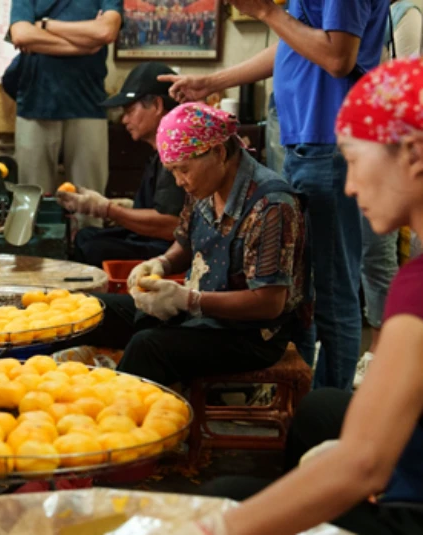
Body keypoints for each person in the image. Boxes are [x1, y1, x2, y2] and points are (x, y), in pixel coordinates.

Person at [171, 57, 423, 535]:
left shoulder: (417, 285)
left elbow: (362, 465)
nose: (348, 185)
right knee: (323, 408)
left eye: (351, 159)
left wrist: (217, 529)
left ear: (412, 154)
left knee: (225, 497)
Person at [161, 0, 389, 391]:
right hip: (306, 142)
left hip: (327, 144)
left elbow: (337, 57)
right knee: (303, 290)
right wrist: (216, 82)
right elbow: (295, 41)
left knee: (332, 294)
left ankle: (327, 414)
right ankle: (307, 399)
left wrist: (267, 12)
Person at [67, 103, 308, 387]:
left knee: (149, 347)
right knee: (90, 311)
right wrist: (161, 263)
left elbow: (269, 303)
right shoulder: (204, 186)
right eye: (172, 171)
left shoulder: (271, 205)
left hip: (249, 335)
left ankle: (125, 424)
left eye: (183, 170)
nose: (179, 181)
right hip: (201, 311)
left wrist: (189, 300)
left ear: (218, 152)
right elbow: (185, 243)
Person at [56, 62, 185, 268]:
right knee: (85, 236)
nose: (124, 120)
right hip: (148, 239)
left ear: (157, 106)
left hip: (167, 250)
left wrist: (106, 210)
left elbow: (171, 225)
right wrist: (121, 206)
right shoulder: (158, 151)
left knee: (94, 248)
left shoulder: (177, 152)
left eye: (130, 110)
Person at [356, 0, 423, 387]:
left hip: (393, 146)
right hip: (376, 141)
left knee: (380, 254)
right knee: (369, 253)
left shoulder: (407, 13)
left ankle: (382, 349)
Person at [9, 0, 122, 200]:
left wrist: (45, 25)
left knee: (91, 206)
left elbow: (106, 31)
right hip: (35, 104)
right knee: (32, 204)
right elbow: (21, 34)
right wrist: (85, 45)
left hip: (88, 105)